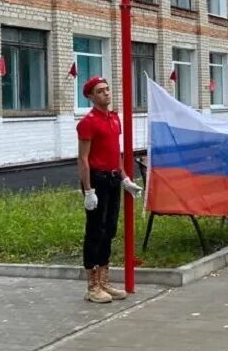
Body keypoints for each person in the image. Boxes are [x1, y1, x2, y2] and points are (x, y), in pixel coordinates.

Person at [76, 76, 143, 303]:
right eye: (100, 91)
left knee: (110, 229)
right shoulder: (88, 122)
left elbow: (117, 153)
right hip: (97, 180)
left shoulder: (114, 119)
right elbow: (83, 159)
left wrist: (124, 178)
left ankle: (104, 280)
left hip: (113, 178)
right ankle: (92, 285)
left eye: (107, 89)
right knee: (95, 231)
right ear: (91, 96)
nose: (106, 93)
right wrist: (88, 190)